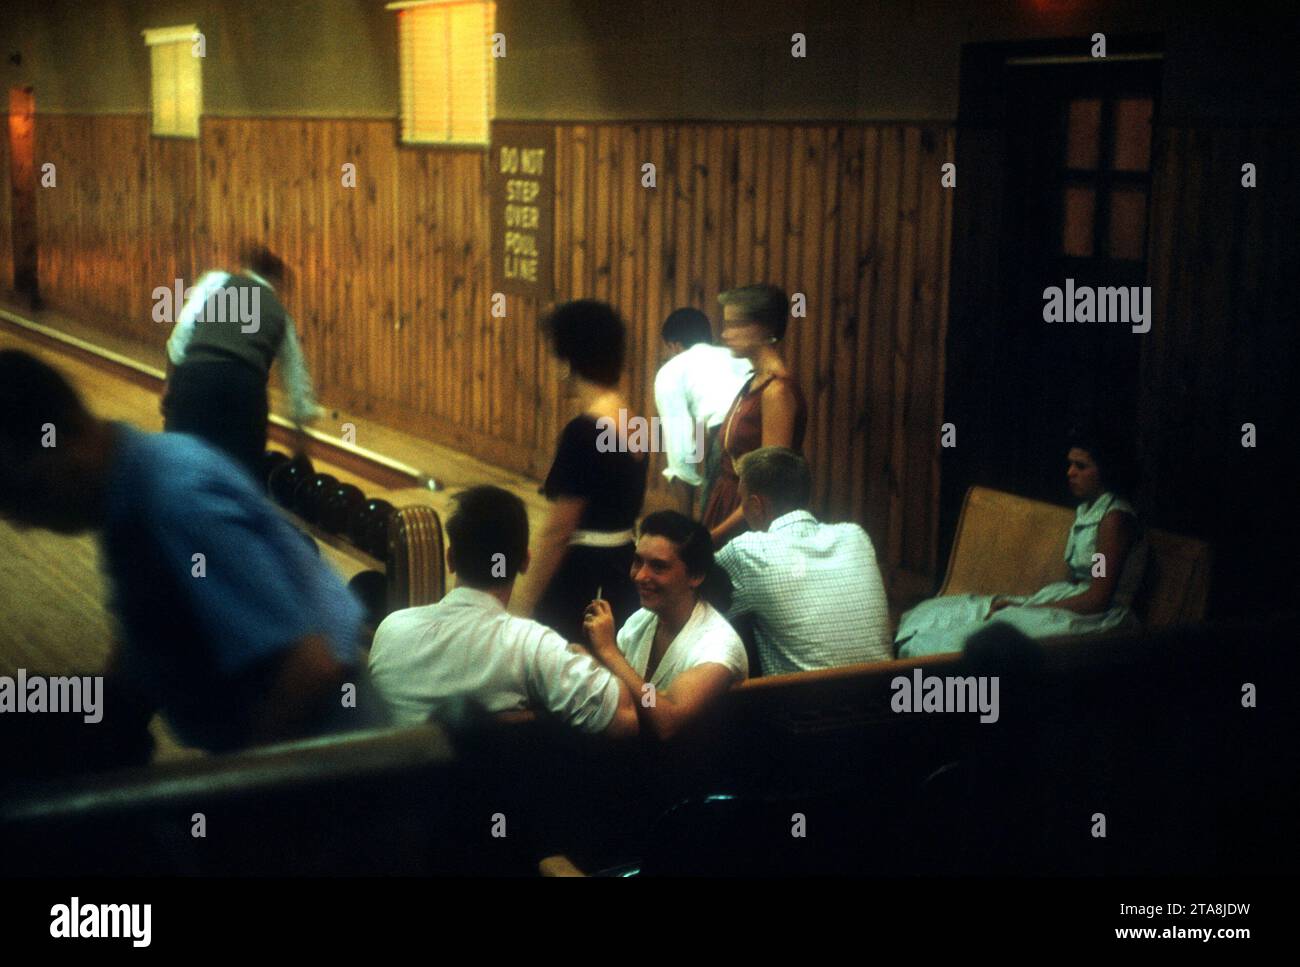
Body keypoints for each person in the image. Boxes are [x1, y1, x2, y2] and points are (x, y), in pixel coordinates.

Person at [0, 350, 382, 758]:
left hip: (336, 768)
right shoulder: (128, 490)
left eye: (28, 491)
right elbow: (147, 646)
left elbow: (310, 665)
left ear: (69, 434)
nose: (23, 521)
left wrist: (230, 790)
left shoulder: (174, 500)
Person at [368, 486, 639, 737]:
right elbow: (625, 718)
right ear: (524, 562)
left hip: (397, 786)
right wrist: (595, 655)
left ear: (450, 559)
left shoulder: (391, 628)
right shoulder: (531, 644)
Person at [895, 429, 1148, 659]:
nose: (1070, 473)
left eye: (1081, 466)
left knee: (991, 631)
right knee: (943, 611)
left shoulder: (1114, 521)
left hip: (1096, 617)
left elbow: (1097, 598)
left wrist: (1029, 607)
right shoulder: (1090, 510)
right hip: (1074, 598)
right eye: (1070, 464)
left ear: (1106, 469)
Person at [517, 300, 647, 644]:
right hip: (623, 567)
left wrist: (522, 606)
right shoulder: (634, 419)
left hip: (582, 576)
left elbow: (558, 533)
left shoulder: (583, 430)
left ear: (567, 361)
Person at [716, 447, 892, 674]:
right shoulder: (855, 535)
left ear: (757, 505)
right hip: (884, 698)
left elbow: (687, 589)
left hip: (804, 706)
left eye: (742, 502)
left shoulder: (749, 550)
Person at [582, 511, 747, 740]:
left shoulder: (717, 645)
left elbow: (666, 719)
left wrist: (609, 652)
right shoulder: (641, 620)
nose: (640, 576)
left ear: (696, 576)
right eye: (638, 561)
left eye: (658, 567)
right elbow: (635, 689)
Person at [161, 244, 318, 480]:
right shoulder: (280, 315)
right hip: (245, 391)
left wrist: (170, 384)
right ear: (277, 282)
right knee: (241, 478)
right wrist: (300, 447)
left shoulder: (216, 282)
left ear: (249, 270)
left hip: (196, 378)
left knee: (180, 469)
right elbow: (297, 384)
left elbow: (181, 335)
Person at [701, 284, 807, 547]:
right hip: (728, 499)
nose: (725, 333)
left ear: (765, 328)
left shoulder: (776, 390)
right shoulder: (755, 381)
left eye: (735, 324)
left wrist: (716, 535)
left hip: (750, 515)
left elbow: (769, 483)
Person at [653, 307, 752, 516]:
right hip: (761, 427)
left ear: (674, 345)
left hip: (728, 434)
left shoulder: (672, 370)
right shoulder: (741, 358)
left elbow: (680, 449)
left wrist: (686, 525)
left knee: (713, 524)